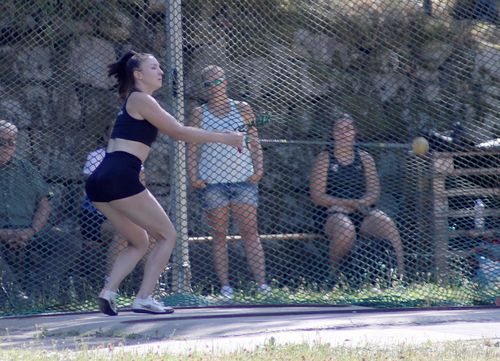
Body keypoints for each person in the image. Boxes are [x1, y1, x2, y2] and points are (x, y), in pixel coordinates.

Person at [86, 51, 244, 316]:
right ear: (138, 74)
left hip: (100, 179)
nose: (160, 72)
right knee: (168, 235)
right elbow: (178, 132)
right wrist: (225, 137)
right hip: (120, 174)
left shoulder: (133, 101)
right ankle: (144, 298)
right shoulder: (141, 99)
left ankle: (109, 292)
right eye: (154, 67)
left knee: (139, 240)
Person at [187, 65, 269, 299]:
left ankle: (262, 285)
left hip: (243, 180)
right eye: (208, 84)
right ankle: (225, 287)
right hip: (213, 184)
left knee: (250, 232)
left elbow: (254, 141)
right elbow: (192, 147)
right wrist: (194, 176)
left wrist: (259, 169)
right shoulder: (199, 113)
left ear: (225, 82)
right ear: (203, 88)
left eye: (217, 81)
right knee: (219, 235)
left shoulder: (242, 108)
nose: (214, 87)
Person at [309, 115, 405, 279]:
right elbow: (317, 196)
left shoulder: (365, 158)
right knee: (346, 231)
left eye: (348, 129)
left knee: (387, 224)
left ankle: (401, 277)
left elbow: (374, 193)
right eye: (339, 129)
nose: (343, 133)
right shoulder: (324, 158)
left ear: (355, 132)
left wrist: (356, 204)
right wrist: (343, 204)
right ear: (332, 133)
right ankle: (334, 277)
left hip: (361, 211)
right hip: (332, 213)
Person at [0, 120, 81, 300]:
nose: (5, 147)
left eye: (10, 142)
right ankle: (14, 297)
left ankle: (40, 295)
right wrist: (4, 233)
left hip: (30, 231)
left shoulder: (26, 169)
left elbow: (45, 204)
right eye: (1, 142)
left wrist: (31, 231)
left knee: (69, 243)